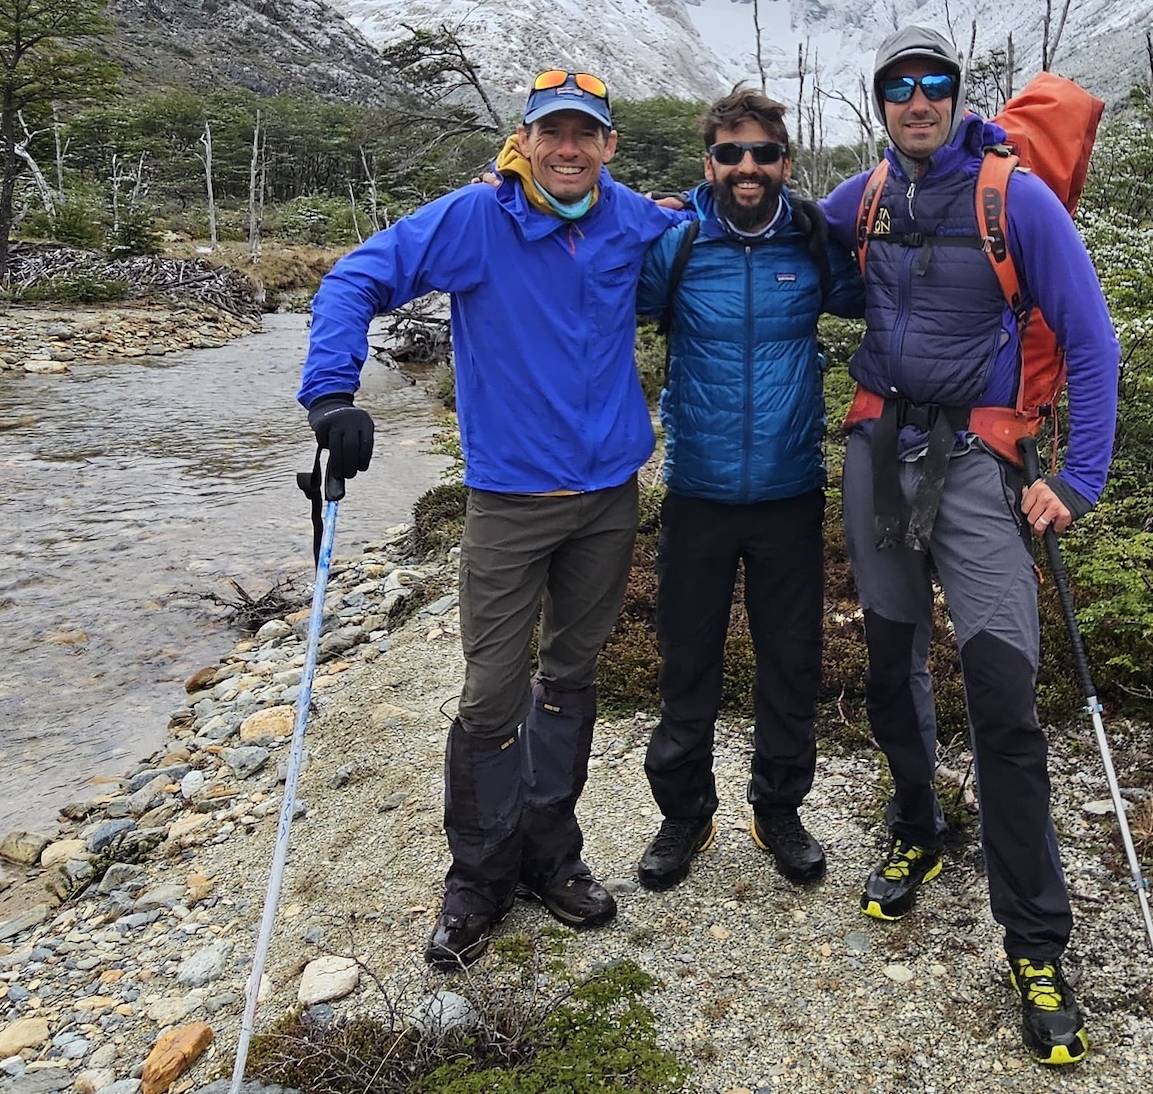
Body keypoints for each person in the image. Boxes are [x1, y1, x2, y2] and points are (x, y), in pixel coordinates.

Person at [296, 69, 684, 971]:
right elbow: (356, 276)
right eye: (553, 131)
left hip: (608, 495)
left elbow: (721, 226)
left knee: (571, 674)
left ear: (609, 146)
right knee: (490, 691)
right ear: (526, 138)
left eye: (586, 133)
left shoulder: (632, 218)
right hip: (510, 500)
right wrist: (329, 394)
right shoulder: (478, 219)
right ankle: (476, 875)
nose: (570, 148)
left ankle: (550, 853)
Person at [817, 25, 1121, 1066]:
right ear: (881, 103)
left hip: (982, 470)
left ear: (956, 96)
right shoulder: (862, 199)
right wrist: (676, 214)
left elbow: (1093, 337)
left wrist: (1078, 479)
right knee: (892, 658)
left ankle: (1035, 941)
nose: (917, 101)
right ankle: (919, 822)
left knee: (1001, 690)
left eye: (933, 85)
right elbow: (760, 230)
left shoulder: (1013, 199)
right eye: (898, 87)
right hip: (879, 452)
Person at [630, 88, 863, 892]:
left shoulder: (813, 239)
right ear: (710, 164)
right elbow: (605, 298)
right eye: (731, 153)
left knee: (790, 662)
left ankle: (780, 808)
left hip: (790, 488)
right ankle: (685, 814)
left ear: (785, 162)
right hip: (696, 486)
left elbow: (882, 298)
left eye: (762, 152)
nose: (748, 167)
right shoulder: (680, 243)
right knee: (686, 661)